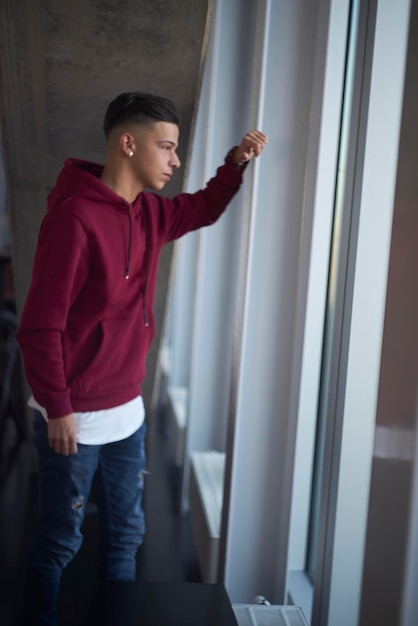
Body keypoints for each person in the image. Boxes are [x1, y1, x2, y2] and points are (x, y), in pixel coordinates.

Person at [16, 91, 267, 624]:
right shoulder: (74, 220)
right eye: (168, 147)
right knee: (61, 540)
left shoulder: (150, 213)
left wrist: (235, 164)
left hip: (128, 410)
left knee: (127, 536)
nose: (175, 161)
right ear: (128, 144)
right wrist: (58, 408)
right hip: (75, 417)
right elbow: (40, 326)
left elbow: (201, 208)